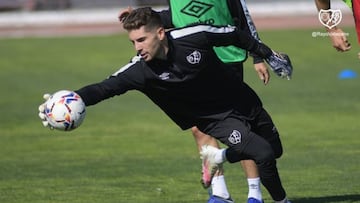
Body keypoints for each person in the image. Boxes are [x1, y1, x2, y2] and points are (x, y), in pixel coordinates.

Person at [38, 7, 292, 203]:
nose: (138, 48)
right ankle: (282, 200)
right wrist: (71, 99)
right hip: (216, 119)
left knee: (275, 150)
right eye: (133, 42)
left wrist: (267, 54)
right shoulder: (140, 71)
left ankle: (218, 156)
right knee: (264, 154)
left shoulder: (194, 36)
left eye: (141, 40)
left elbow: (234, 34)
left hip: (242, 99)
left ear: (160, 34)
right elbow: (105, 88)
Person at [119, 1, 291, 202]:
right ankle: (220, 193)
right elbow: (178, 16)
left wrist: (257, 56)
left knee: (244, 128)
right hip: (190, 55)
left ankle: (254, 193)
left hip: (225, 57)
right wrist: (142, 17)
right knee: (200, 126)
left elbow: (242, 17)